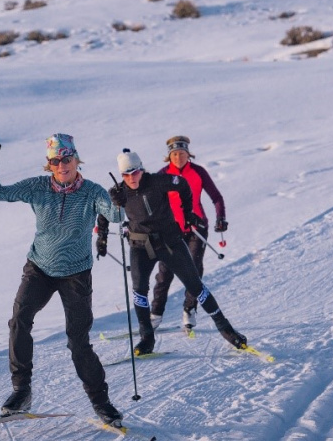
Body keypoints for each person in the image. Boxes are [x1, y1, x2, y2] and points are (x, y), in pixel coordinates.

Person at [0, 133, 124, 426]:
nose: (62, 165)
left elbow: (116, 214)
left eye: (67, 159)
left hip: (76, 274)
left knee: (78, 341)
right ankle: (21, 391)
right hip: (40, 268)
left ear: (76, 159)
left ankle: (101, 402)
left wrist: (120, 201)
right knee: (20, 320)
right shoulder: (37, 187)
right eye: (56, 160)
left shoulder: (92, 191)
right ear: (50, 164)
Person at [99, 148, 247, 357]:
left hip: (170, 242)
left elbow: (184, 186)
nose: (132, 178)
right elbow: (103, 212)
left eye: (135, 172)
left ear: (141, 169)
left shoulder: (158, 181)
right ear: (121, 175)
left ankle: (227, 331)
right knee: (139, 291)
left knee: (195, 286)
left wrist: (187, 214)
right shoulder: (118, 192)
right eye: (126, 174)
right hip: (140, 247)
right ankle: (147, 338)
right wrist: (102, 238)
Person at [150, 135, 229, 332]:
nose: (178, 157)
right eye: (174, 154)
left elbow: (216, 197)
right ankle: (155, 314)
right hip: (170, 230)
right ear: (169, 156)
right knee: (165, 273)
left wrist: (221, 217)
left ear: (188, 154)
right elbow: (151, 203)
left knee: (193, 269)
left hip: (197, 227)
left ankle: (189, 309)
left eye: (182, 154)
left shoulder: (198, 172)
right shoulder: (161, 175)